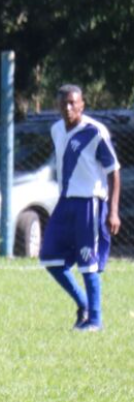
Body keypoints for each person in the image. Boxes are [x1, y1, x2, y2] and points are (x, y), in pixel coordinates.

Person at [39, 84, 121, 331]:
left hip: (89, 203)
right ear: (57, 105)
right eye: (63, 103)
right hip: (65, 202)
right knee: (50, 257)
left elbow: (114, 171)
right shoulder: (56, 129)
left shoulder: (95, 132)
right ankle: (84, 304)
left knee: (88, 262)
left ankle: (95, 321)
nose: (68, 107)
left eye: (72, 103)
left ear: (82, 105)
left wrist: (113, 211)